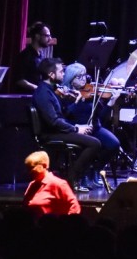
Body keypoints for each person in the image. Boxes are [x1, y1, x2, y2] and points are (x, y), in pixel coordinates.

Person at [32, 57, 102, 192]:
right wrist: (76, 128)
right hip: (50, 134)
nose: (64, 74)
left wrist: (74, 104)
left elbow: (60, 114)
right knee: (95, 143)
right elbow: (53, 121)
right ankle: (72, 178)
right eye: (61, 72)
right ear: (51, 75)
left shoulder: (50, 90)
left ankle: (76, 176)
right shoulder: (43, 94)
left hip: (57, 130)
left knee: (91, 138)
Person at [60, 62, 120, 189]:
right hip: (76, 129)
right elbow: (63, 117)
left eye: (84, 75)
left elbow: (101, 117)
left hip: (94, 127)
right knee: (91, 144)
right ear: (70, 78)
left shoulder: (90, 94)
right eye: (79, 76)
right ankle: (83, 175)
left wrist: (111, 102)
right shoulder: (64, 95)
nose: (84, 79)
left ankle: (95, 169)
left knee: (113, 144)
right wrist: (76, 103)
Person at [22, 151, 81, 216]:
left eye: (31, 168)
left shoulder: (59, 184)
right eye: (27, 168)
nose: (29, 172)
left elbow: (75, 207)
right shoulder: (32, 184)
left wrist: (64, 224)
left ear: (44, 165)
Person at [14, 21, 55, 92]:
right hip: (26, 98)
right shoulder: (25, 56)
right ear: (37, 36)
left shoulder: (41, 55)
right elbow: (19, 80)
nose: (50, 38)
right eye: (47, 36)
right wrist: (37, 88)